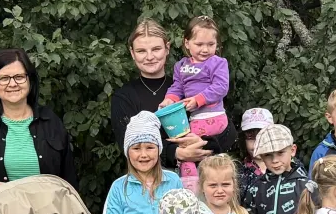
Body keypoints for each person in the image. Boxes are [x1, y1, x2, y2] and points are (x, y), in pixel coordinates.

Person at [110, 19, 232, 177]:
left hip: (201, 177)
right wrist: (177, 153)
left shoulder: (189, 86)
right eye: (141, 51)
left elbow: (227, 133)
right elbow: (128, 145)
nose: (149, 57)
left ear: (167, 48)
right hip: (148, 181)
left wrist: (205, 144)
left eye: (156, 49)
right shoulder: (124, 96)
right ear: (132, 53)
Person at [0, 48, 76, 193]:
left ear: (30, 80)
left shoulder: (51, 122)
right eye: (4, 78)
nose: (13, 84)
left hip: (49, 212)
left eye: (19, 77)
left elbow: (69, 179)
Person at [161, 16, 232, 192]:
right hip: (195, 119)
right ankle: (195, 186)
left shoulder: (218, 63)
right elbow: (177, 87)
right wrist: (170, 100)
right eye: (199, 44)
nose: (205, 49)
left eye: (211, 44)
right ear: (187, 43)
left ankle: (192, 190)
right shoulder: (181, 66)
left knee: (185, 146)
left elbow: (221, 87)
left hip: (213, 117)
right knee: (189, 152)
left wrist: (198, 100)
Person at [237, 107, 274, 204]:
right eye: (251, 137)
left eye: (263, 136)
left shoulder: (289, 165)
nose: (258, 143)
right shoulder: (238, 173)